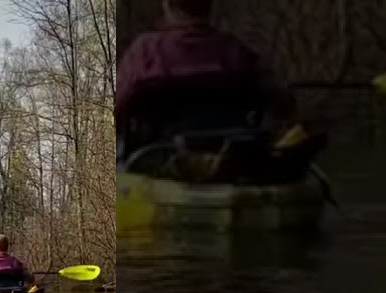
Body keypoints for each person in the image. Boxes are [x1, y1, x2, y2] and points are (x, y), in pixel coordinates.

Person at [116, 0, 304, 172]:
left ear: (167, 4)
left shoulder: (146, 53)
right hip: (233, 159)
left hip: (159, 161)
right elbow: (282, 103)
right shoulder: (235, 52)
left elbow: (118, 107)